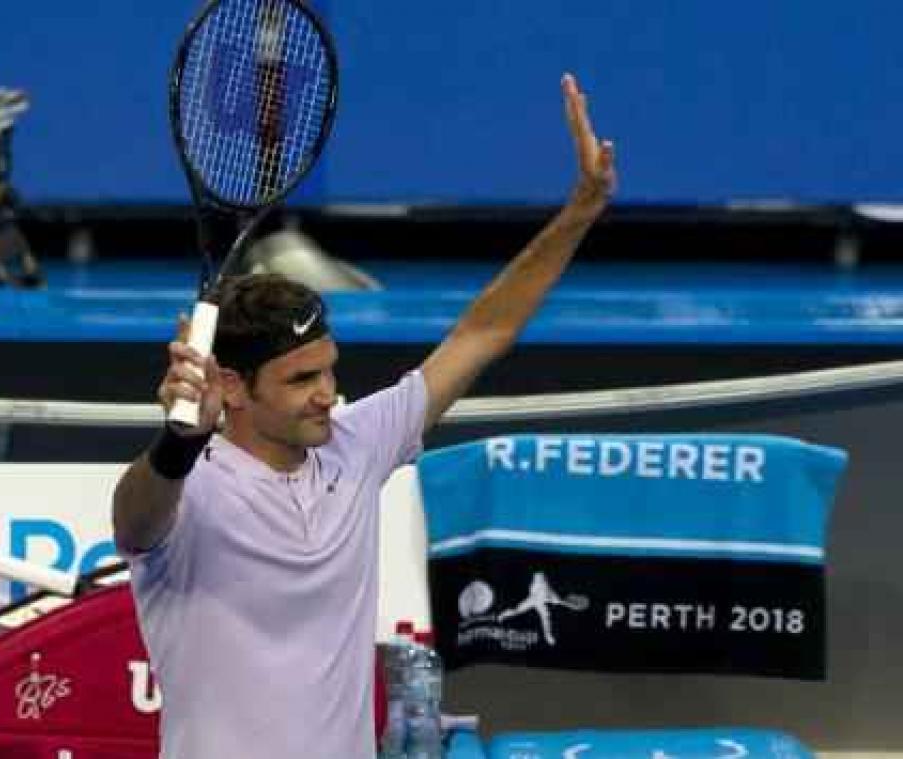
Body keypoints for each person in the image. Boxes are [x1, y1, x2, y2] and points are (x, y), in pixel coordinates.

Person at [112, 72, 616, 759]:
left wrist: (581, 210)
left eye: (328, 369)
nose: (327, 393)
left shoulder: (357, 443)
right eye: (300, 379)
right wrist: (177, 443)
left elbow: (482, 332)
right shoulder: (189, 488)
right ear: (231, 386)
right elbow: (134, 522)